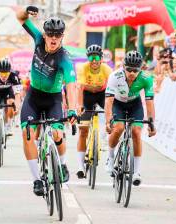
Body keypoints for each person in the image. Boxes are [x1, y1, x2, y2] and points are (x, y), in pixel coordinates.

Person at [16, 6, 77, 196]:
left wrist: (73, 109)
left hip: (53, 100)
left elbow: (71, 85)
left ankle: (63, 165)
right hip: (33, 97)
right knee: (28, 134)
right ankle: (36, 180)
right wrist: (26, 12)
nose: (53, 38)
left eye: (57, 35)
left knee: (58, 134)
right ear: (44, 35)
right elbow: (20, 18)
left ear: (62, 36)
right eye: (50, 34)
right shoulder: (37, 39)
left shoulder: (65, 58)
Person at [105, 50, 156, 186]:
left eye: (135, 70)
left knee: (136, 132)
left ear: (140, 69)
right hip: (118, 104)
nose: (132, 73)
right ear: (123, 67)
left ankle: (136, 171)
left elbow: (150, 102)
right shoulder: (114, 76)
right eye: (129, 70)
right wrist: (108, 121)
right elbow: (109, 102)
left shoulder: (146, 78)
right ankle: (110, 158)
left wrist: (152, 123)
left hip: (135, 105)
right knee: (119, 128)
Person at [75, 44, 113, 178]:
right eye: (91, 57)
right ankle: (80, 166)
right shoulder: (82, 68)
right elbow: (79, 88)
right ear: (88, 58)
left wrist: (111, 114)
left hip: (102, 95)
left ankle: (110, 153)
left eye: (97, 57)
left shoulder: (107, 69)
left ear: (101, 58)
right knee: (83, 130)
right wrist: (79, 105)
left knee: (113, 119)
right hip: (87, 96)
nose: (94, 60)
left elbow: (112, 91)